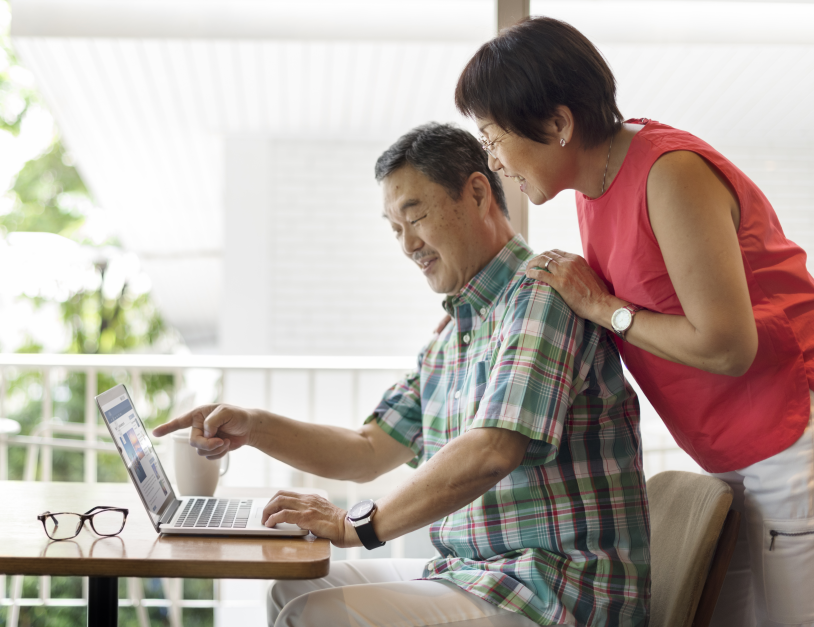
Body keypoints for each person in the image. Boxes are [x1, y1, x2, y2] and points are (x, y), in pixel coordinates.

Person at [153, 123, 650, 627]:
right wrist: (254, 425)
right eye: (395, 228)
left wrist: (355, 526)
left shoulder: (541, 294)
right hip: (476, 575)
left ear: (478, 193)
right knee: (293, 591)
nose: (408, 244)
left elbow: (492, 450)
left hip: (554, 594)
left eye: (416, 217)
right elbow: (368, 449)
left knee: (316, 615)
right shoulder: (456, 331)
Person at [454, 16, 814, 627]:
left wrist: (605, 309)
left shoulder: (669, 173)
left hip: (790, 432)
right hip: (731, 447)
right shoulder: (593, 187)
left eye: (492, 137)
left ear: (559, 124)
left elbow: (727, 347)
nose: (492, 161)